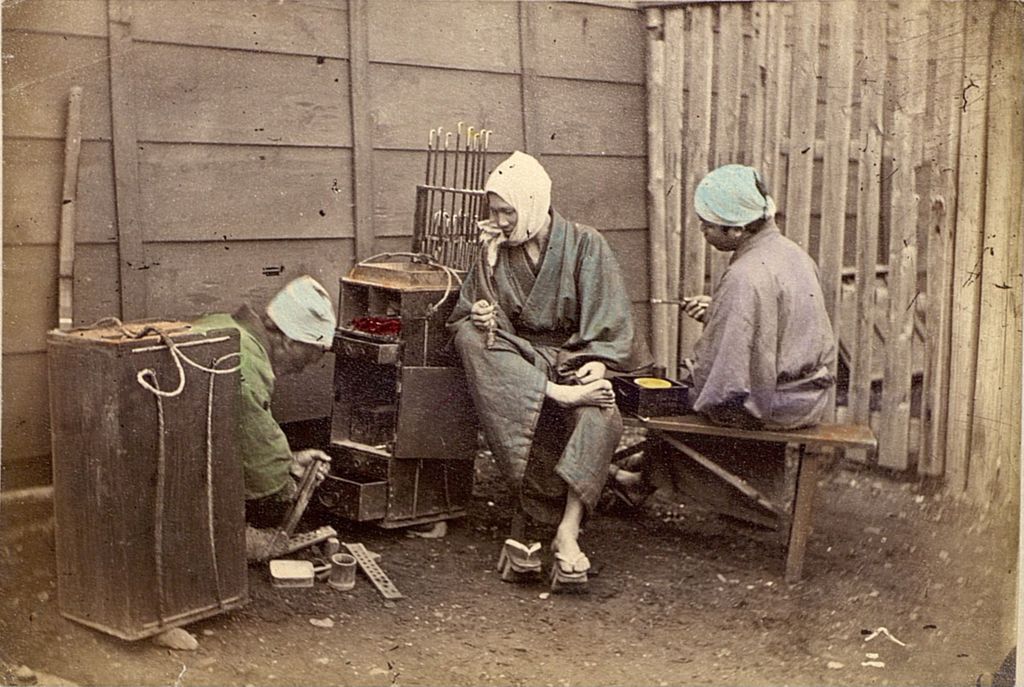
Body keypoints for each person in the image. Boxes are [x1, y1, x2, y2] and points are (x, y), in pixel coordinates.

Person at [448, 151, 649, 590]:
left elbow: (611, 323)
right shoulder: (493, 252)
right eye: (494, 211)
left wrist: (598, 364)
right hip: (525, 360)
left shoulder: (584, 243)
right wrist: (485, 314)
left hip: (578, 359)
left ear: (535, 202)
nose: (500, 221)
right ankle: (552, 395)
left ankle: (567, 531)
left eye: (508, 211)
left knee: (602, 414)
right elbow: (477, 317)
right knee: (467, 336)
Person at [611, 164, 836, 520]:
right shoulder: (790, 253)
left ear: (736, 229)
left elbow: (726, 378)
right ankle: (644, 473)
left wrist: (691, 387)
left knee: (675, 401)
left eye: (708, 225)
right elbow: (778, 325)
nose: (702, 230)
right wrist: (719, 311)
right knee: (687, 393)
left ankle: (649, 477)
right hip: (808, 394)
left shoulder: (744, 276)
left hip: (780, 404)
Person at [192, 275, 336, 532]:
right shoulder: (244, 363)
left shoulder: (228, 327)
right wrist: (288, 478)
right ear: (289, 340)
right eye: (306, 359)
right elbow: (266, 474)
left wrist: (290, 461)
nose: (302, 369)